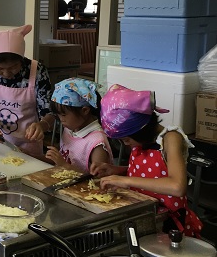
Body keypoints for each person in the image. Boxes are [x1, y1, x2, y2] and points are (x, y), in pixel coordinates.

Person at [91, 84, 203, 238]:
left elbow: (177, 186)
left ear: (140, 130)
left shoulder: (170, 138)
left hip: (169, 222)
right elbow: (147, 174)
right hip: (145, 213)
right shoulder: (141, 142)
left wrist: (126, 181)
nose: (126, 144)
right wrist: (116, 170)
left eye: (126, 139)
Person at [0, 25, 55, 159]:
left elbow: (49, 113)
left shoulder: (37, 71)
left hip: (27, 146)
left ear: (21, 59)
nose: (6, 73)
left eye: (13, 67)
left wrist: (42, 125)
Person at [45, 78, 113, 173]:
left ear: (85, 110)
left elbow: (97, 179)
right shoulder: (70, 128)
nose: (61, 119)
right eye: (58, 115)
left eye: (64, 115)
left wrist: (64, 165)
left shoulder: (97, 142)